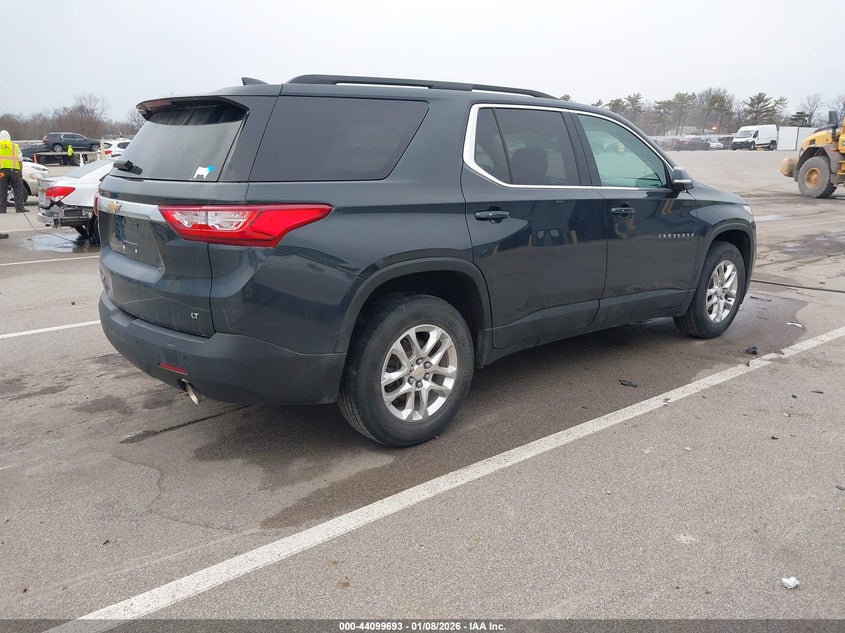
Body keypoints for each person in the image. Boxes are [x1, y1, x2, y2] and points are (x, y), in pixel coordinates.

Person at [0, 129, 26, 214]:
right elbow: (20, 160)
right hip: (14, 171)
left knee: (2, 189)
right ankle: (19, 207)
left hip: (2, 171)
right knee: (18, 189)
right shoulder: (15, 146)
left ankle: (2, 209)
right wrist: (20, 173)